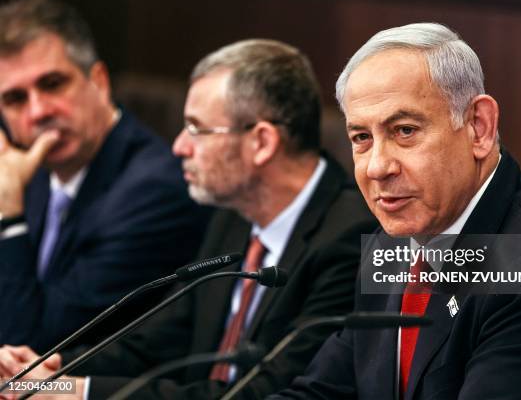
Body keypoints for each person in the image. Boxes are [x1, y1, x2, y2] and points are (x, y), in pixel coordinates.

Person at [0, 39, 377, 399]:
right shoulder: (233, 216)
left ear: (261, 143)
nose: (179, 146)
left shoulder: (352, 239)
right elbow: (154, 342)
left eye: (197, 128)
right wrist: (50, 370)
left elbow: (266, 394)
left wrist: (77, 393)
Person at [271, 23, 521, 399]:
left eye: (404, 131)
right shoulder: (394, 241)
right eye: (362, 138)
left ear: (478, 128)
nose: (377, 167)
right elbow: (324, 391)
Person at [0, 0, 209, 353]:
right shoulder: (32, 173)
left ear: (98, 81)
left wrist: (7, 215)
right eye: (15, 99)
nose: (37, 112)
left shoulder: (153, 191)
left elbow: (36, 351)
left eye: (52, 84)